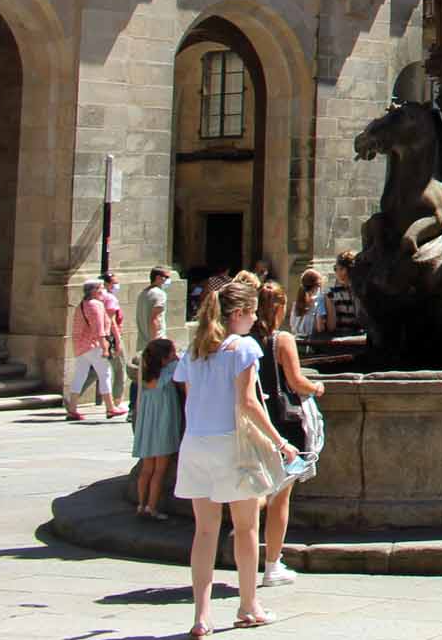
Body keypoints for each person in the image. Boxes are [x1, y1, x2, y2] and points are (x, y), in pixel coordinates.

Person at [174, 272, 294, 635]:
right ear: (238, 312)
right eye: (252, 312)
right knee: (245, 528)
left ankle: (201, 616)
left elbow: (189, 398)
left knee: (204, 532)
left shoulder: (194, 350)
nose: (255, 320)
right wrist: (280, 442)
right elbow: (248, 403)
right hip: (230, 443)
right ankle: (248, 605)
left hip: (195, 442)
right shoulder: (243, 348)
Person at [250, 280, 323, 588]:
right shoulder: (281, 340)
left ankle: (246, 552)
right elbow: (295, 380)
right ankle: (272, 565)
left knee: (254, 489)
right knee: (279, 496)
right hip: (282, 424)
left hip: (253, 420)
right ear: (279, 308)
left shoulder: (242, 339)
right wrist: (317, 387)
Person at [132, 337, 184, 518]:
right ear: (164, 358)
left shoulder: (145, 375)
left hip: (147, 428)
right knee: (159, 471)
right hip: (163, 426)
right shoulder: (171, 370)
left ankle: (140, 504)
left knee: (146, 469)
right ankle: (151, 507)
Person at [65, 279, 124, 422]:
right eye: (101, 288)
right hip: (94, 345)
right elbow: (99, 328)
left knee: (80, 375)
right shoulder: (96, 305)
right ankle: (110, 408)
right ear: (94, 290)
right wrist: (105, 347)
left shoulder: (82, 305)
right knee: (105, 374)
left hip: (80, 346)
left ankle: (72, 409)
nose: (103, 290)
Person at [131, 267, 171, 416]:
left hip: (142, 341)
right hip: (154, 343)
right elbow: (155, 319)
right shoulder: (159, 294)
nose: (168, 280)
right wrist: (156, 344)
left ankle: (133, 407)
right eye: (166, 277)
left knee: (140, 376)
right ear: (158, 278)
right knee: (155, 376)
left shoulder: (144, 293)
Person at [322, 252, 362, 339]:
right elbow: (331, 327)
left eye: (342, 269)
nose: (338, 272)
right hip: (341, 339)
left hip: (358, 338)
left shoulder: (360, 291)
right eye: (336, 269)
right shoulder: (330, 293)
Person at [289, 269, 325, 338]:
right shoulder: (317, 304)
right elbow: (320, 328)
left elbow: (292, 327)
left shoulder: (296, 305)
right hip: (311, 343)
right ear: (316, 287)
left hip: (297, 342)